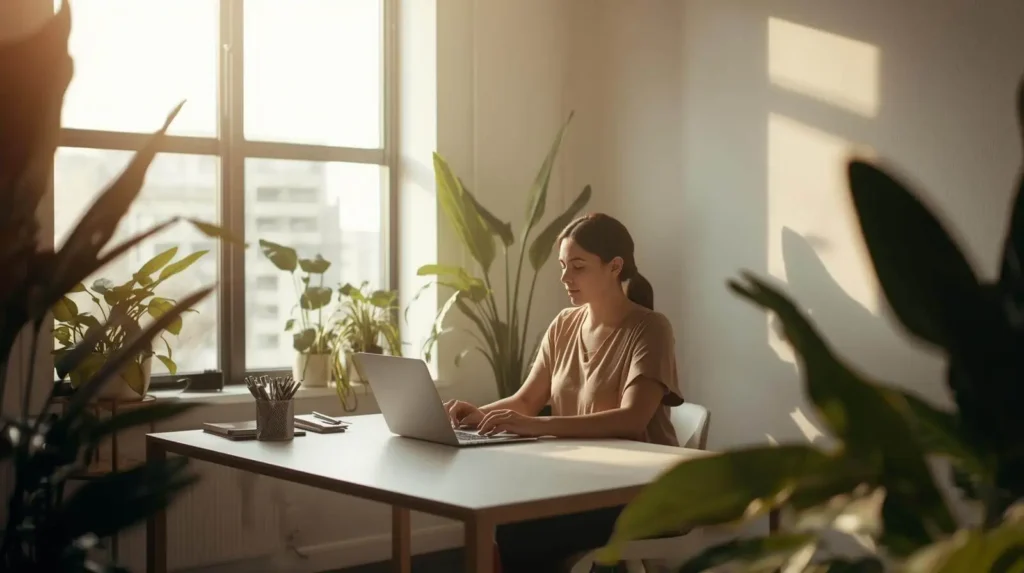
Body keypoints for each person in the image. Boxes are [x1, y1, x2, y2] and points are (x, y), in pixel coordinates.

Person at [444, 212, 684, 573]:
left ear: (615, 266)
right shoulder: (564, 324)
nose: (565, 277)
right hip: (582, 481)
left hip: (644, 495)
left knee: (521, 529)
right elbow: (527, 400)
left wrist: (534, 425)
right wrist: (477, 414)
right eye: (562, 266)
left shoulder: (650, 329)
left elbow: (632, 420)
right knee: (510, 519)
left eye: (578, 266)